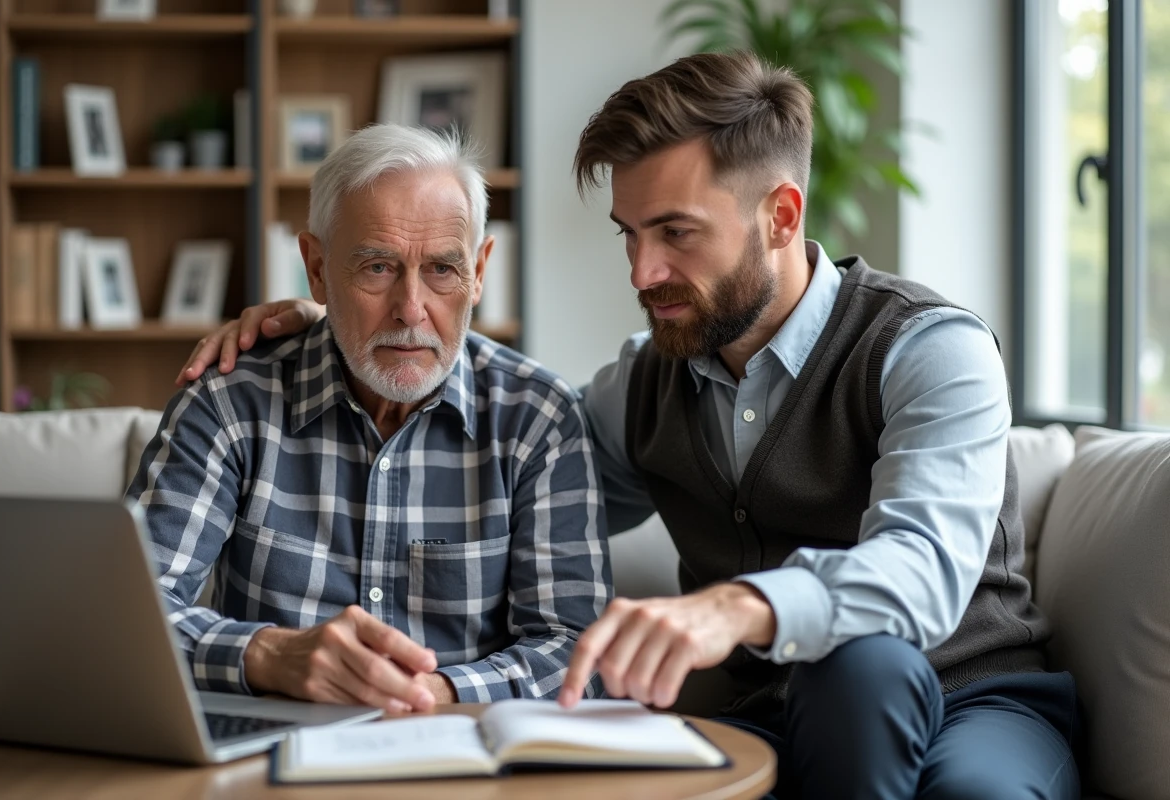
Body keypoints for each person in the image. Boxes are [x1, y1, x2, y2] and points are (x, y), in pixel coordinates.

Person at [177, 54, 1079, 799]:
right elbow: (485, 462)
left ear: (781, 215)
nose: (644, 272)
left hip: (971, 694)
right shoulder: (637, 387)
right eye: (629, 234)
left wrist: (738, 606)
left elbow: (922, 574)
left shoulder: (931, 349)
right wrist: (338, 313)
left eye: (676, 233)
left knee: (893, 700)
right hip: (769, 709)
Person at [133, 123, 610, 716]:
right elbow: (132, 611)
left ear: (480, 271)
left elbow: (574, 652)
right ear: (316, 268)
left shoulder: (537, 419)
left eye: (442, 269)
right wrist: (270, 655)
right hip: (271, 758)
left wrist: (430, 694)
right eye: (377, 268)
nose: (412, 310)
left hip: (458, 759)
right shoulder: (230, 402)